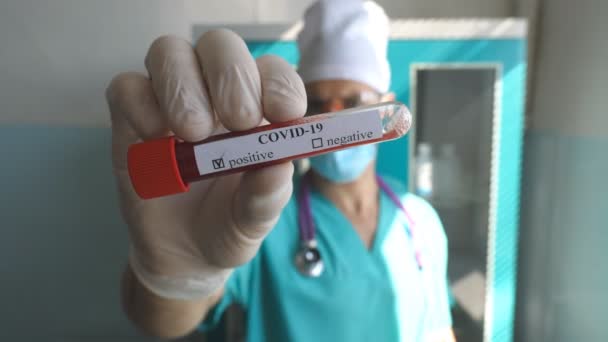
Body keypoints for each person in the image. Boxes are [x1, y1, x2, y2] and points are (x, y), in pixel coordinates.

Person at [106, 0, 455, 341]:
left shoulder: (418, 220)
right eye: (318, 106)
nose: (335, 121)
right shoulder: (254, 210)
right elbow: (158, 321)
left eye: (351, 105)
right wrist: (175, 276)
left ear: (385, 104)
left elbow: (438, 331)